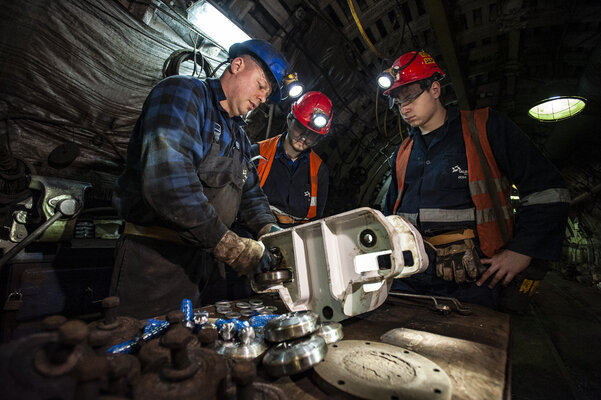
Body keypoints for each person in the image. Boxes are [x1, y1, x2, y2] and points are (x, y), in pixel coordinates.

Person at [110, 39, 289, 318]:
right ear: (238, 65)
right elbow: (168, 182)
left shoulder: (240, 137)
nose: (263, 99)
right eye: (262, 86)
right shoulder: (183, 93)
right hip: (155, 260)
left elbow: (251, 195)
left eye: (267, 94)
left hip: (203, 262)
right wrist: (229, 246)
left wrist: (270, 230)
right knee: (143, 352)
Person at [381, 51, 570, 310]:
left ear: (435, 89)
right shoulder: (403, 152)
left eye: (411, 95)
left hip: (472, 278)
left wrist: (523, 250)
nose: (404, 107)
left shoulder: (485, 127)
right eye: (398, 100)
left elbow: (549, 190)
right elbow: (389, 214)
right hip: (411, 275)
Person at [251, 91, 332, 227]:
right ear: (289, 120)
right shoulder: (258, 153)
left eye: (312, 134)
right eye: (300, 128)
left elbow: (316, 218)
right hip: (255, 228)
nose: (304, 137)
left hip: (295, 237)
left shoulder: (319, 171)